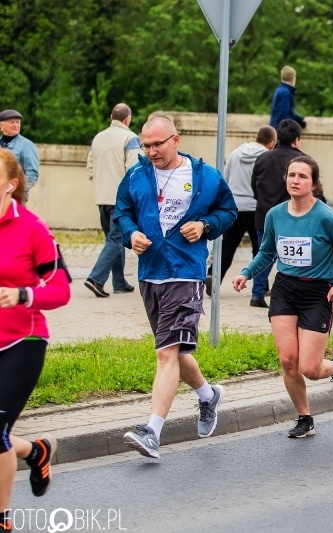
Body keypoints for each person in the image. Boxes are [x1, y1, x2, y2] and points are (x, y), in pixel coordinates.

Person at [114, 116, 237, 459]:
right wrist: (131, 234)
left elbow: (228, 211)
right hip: (151, 273)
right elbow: (121, 214)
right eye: (146, 145)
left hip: (186, 272)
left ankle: (151, 432)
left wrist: (205, 225)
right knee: (178, 353)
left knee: (165, 353)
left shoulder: (204, 176)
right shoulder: (137, 175)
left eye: (158, 144)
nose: (152, 151)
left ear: (175, 140)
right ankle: (209, 396)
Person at [233, 156, 333, 438]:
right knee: (289, 361)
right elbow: (267, 252)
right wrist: (247, 273)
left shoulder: (326, 217)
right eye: (291, 175)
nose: (295, 180)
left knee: (310, 368)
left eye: (303, 176)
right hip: (284, 289)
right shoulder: (275, 215)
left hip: (318, 292)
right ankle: (305, 418)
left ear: (314, 183)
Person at [0, 148, 71, 528]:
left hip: (21, 341)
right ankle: (36, 450)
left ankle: (2, 517)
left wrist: (24, 294)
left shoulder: (33, 229)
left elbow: (60, 290)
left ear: (11, 185)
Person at [205, 126, 277, 299]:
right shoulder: (267, 157)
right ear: (271, 143)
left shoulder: (236, 153)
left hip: (235, 206)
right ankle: (261, 286)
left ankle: (213, 276)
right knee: (260, 249)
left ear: (256, 136)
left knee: (228, 246)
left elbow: (226, 178)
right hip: (255, 208)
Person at [84, 103, 141, 298]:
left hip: (102, 198)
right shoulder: (130, 138)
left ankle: (119, 282)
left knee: (114, 239)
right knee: (116, 240)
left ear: (111, 117)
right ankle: (96, 279)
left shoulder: (98, 138)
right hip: (120, 200)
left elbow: (90, 167)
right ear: (128, 119)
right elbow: (135, 171)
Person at [250, 119, 306, 307]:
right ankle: (291, 293)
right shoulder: (301, 162)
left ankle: (257, 293)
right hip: (290, 217)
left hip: (263, 214)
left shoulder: (263, 157)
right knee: (292, 256)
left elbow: (254, 186)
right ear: (296, 140)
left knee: (263, 253)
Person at [0, 109, 39, 198]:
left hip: (14, 197)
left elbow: (32, 173)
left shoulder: (27, 145)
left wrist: (18, 191)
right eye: (12, 122)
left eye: (17, 122)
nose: (15, 125)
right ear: (1, 125)